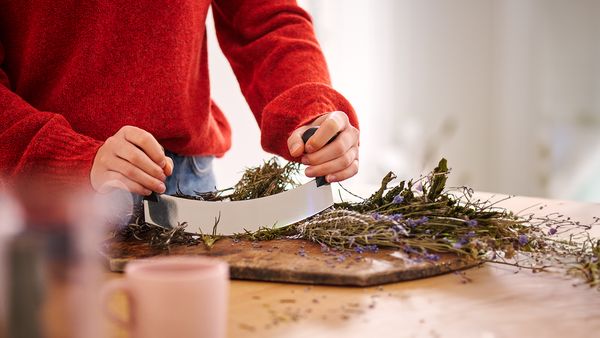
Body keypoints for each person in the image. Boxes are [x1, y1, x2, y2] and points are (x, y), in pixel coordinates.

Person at [0, 1, 360, 196]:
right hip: (41, 193)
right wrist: (70, 158)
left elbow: (266, 20)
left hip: (186, 185)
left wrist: (312, 113)